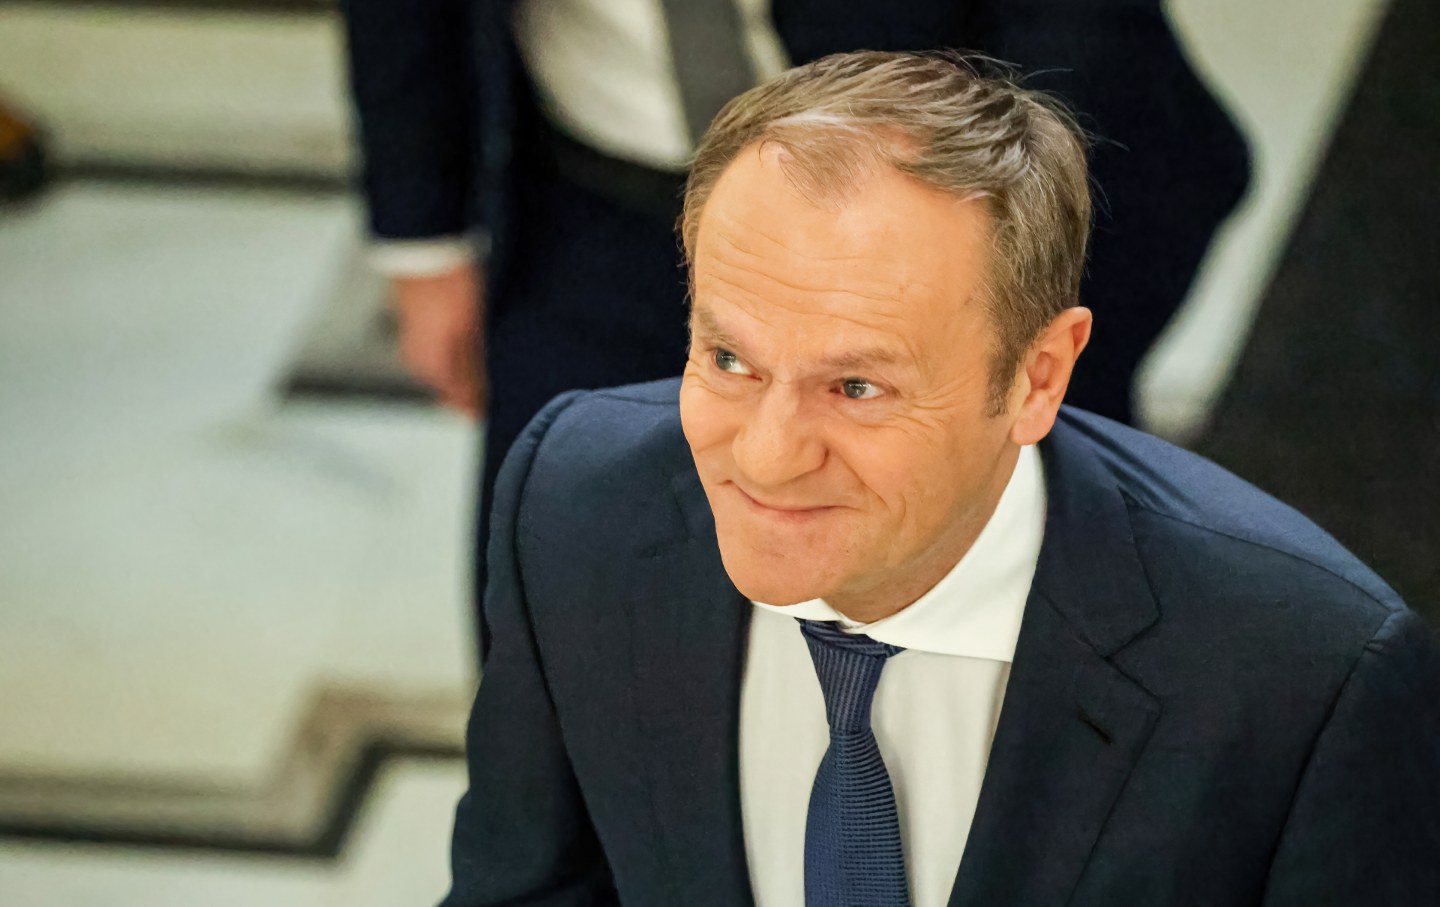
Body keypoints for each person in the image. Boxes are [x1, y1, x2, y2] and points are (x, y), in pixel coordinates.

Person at [439, 53, 1439, 907]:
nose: (766, 455)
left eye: (859, 385)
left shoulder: (1305, 678)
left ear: (1039, 376)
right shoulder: (573, 507)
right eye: (731, 360)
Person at [338, 0, 1250, 661]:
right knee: (557, 620)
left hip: (942, 215)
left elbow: (1084, 52)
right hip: (597, 207)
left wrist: (996, 274)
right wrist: (423, 238)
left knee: (1012, 628)